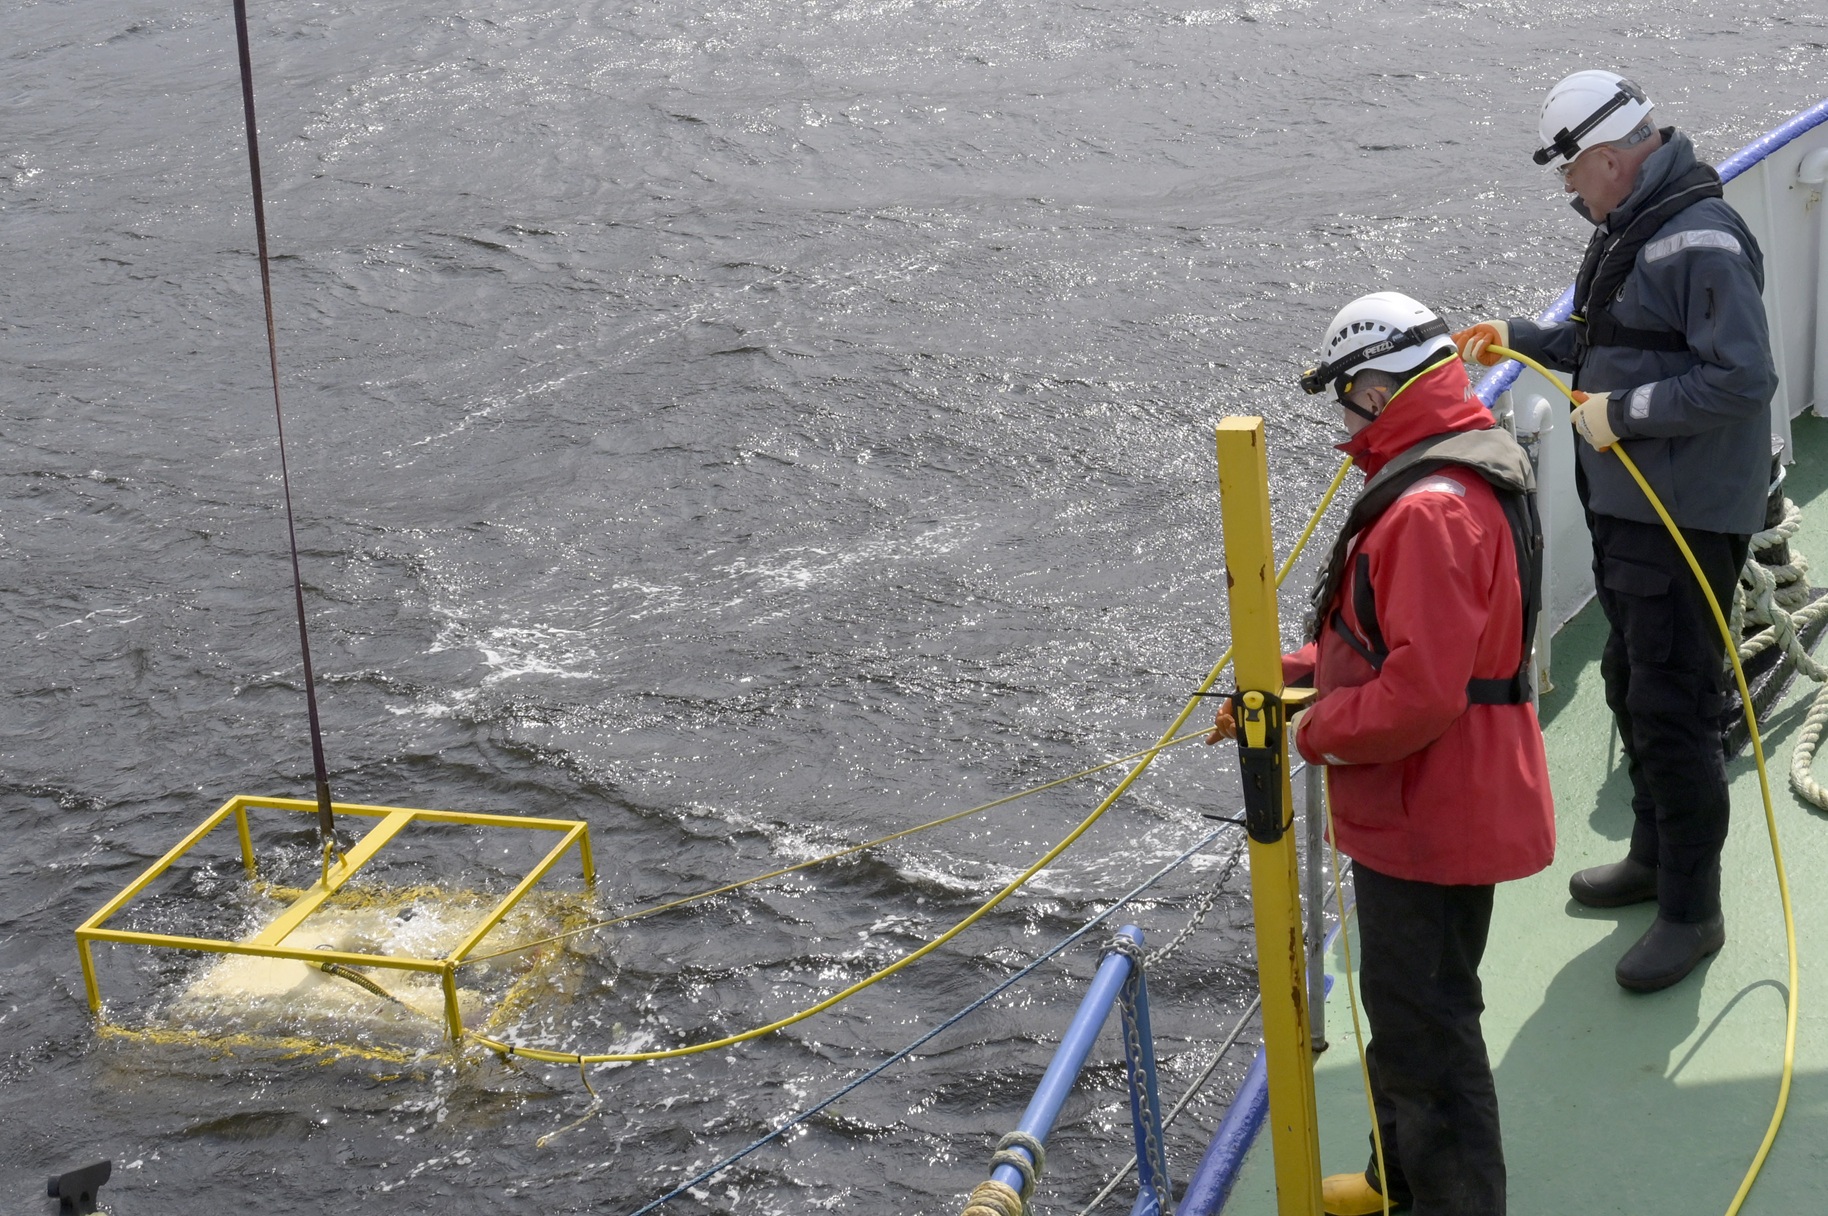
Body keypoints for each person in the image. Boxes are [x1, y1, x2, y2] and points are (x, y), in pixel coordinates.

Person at [1212, 291, 1555, 1215]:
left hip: (1429, 813)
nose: (1345, 416)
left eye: (1345, 394)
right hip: (1447, 800)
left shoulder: (1427, 511)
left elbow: (1420, 694)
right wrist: (1284, 674)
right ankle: (1397, 1180)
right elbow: (1390, 642)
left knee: (1432, 1038)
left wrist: (1310, 729)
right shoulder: (1463, 474)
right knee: (1412, 1018)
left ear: (1373, 386)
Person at [1456, 71, 1778, 992]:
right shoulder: (1642, 227)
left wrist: (1622, 413)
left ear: (1605, 157)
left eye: (1571, 178)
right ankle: (1650, 854)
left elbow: (1740, 379)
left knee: (1673, 709)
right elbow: (1615, 335)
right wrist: (1526, 336)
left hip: (1679, 516)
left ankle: (1692, 911)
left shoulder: (1700, 241)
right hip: (1636, 506)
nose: (1570, 196)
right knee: (1633, 681)